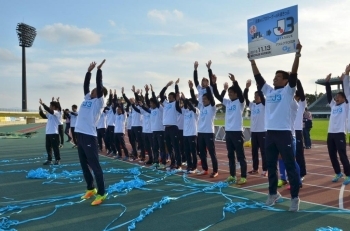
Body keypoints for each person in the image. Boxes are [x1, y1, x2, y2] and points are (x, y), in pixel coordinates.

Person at [249, 41, 302, 212]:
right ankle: (273, 193)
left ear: (286, 81)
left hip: (284, 133)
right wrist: (253, 62)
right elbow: (259, 79)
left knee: (290, 166)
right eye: (274, 77)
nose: (274, 78)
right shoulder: (269, 91)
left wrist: (297, 55)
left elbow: (294, 73)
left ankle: (295, 197)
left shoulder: (288, 91)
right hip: (269, 133)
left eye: (278, 77)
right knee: (270, 165)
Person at [75, 60, 108, 206]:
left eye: (95, 90)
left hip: (89, 136)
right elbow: (85, 86)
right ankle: (91, 188)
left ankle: (102, 193)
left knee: (95, 166)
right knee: (84, 165)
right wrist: (88, 72)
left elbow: (99, 87)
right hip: (80, 134)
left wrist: (99, 71)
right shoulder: (88, 98)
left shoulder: (99, 102)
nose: (92, 91)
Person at [212, 73, 247, 183]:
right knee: (230, 155)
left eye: (231, 93)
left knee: (240, 156)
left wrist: (234, 81)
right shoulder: (228, 102)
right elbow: (217, 95)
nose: (229, 94)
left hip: (237, 132)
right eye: (228, 93)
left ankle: (243, 176)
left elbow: (241, 94)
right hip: (229, 132)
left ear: (236, 93)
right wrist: (214, 84)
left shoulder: (241, 102)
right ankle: (232, 175)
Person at [325, 70, 350, 185]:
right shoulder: (333, 105)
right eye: (337, 96)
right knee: (332, 154)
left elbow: (346, 91)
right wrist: (327, 83)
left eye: (339, 96)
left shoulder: (346, 105)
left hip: (340, 132)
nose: (337, 98)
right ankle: (338, 172)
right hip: (331, 133)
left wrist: (345, 76)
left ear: (344, 99)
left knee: (342, 154)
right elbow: (329, 95)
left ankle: (348, 174)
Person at [189, 79, 218, 178]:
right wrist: (191, 88)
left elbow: (211, 96)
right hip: (200, 132)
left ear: (209, 100)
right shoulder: (201, 107)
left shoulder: (212, 107)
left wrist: (209, 86)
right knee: (201, 152)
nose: (203, 100)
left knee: (212, 152)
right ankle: (205, 169)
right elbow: (193, 99)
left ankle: (215, 170)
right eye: (203, 99)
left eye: (205, 99)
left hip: (209, 132)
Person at [244, 80, 267, 177]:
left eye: (257, 96)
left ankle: (265, 169)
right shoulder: (252, 106)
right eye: (254, 96)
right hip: (254, 132)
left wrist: (258, 87)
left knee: (264, 152)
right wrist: (247, 88)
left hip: (263, 131)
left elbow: (261, 95)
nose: (255, 97)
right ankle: (255, 168)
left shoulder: (265, 105)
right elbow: (245, 98)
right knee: (254, 152)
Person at [159, 80, 182, 170]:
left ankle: (179, 164)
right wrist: (166, 86)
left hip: (173, 128)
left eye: (171, 97)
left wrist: (176, 85)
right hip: (166, 128)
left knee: (176, 147)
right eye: (168, 97)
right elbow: (161, 95)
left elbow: (177, 94)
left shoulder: (175, 104)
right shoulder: (166, 104)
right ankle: (172, 163)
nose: (169, 98)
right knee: (169, 147)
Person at [39, 99, 61, 165]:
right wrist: (40, 110)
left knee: (55, 147)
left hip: (54, 133)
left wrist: (43, 104)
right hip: (48, 133)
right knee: (48, 147)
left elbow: (50, 110)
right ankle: (49, 160)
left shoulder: (57, 112)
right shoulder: (50, 114)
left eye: (51, 106)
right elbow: (43, 116)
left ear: (54, 107)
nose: (50, 107)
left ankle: (57, 160)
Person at [294, 79, 307, 180]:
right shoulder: (290, 103)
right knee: (289, 154)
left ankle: (301, 173)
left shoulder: (302, 104)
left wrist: (296, 80)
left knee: (299, 153)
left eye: (295, 95)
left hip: (298, 131)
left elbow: (302, 92)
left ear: (297, 97)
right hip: (289, 131)